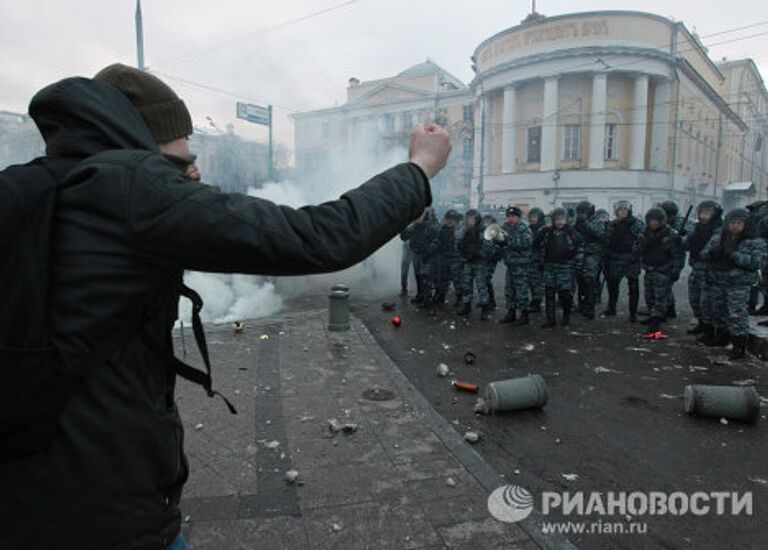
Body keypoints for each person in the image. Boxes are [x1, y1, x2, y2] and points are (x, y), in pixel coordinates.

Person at [0, 65, 452, 549]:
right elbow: (319, 237)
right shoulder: (130, 187)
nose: (192, 160)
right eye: (183, 145)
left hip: (27, 485)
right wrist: (417, 169)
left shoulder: (36, 187)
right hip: (107, 506)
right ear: (145, 136)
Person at [700, 208, 767, 359]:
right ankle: (722, 337)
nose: (735, 226)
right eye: (732, 223)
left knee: (736, 314)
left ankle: (739, 345)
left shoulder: (755, 242)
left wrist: (734, 255)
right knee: (718, 311)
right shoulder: (720, 238)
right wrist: (712, 253)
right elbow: (704, 254)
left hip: (738, 284)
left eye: (739, 223)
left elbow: (755, 263)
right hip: (718, 280)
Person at [634, 208, 682, 335]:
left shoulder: (670, 234)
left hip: (663, 270)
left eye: (655, 221)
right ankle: (653, 316)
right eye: (650, 220)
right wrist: (641, 244)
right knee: (649, 296)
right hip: (649, 268)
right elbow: (636, 251)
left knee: (660, 297)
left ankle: (655, 323)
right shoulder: (645, 233)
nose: (652, 223)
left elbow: (678, 255)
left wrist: (676, 270)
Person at [535, 208, 583, 328]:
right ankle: (550, 319)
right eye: (557, 219)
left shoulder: (572, 233)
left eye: (562, 219)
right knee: (549, 293)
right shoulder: (547, 232)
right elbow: (536, 245)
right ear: (553, 220)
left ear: (566, 220)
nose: (560, 222)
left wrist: (578, 266)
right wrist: (540, 262)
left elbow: (580, 249)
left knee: (565, 294)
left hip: (566, 267)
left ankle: (566, 316)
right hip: (550, 266)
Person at [683, 201, 723, 335]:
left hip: (710, 270)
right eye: (702, 213)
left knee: (708, 302)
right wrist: (682, 238)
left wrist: (694, 243)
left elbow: (707, 251)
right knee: (694, 298)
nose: (703, 216)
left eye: (707, 213)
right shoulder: (697, 228)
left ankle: (710, 329)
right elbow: (685, 245)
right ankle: (701, 323)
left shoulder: (719, 229)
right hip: (696, 267)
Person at [603, 200, 644, 322]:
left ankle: (632, 313)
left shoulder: (637, 224)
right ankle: (611, 308)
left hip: (631, 259)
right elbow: (607, 240)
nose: (622, 212)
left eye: (624, 210)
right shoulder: (612, 224)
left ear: (629, 211)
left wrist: (636, 253)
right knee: (612, 285)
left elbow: (642, 240)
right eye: (619, 210)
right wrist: (607, 255)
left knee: (633, 287)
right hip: (615, 258)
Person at [498, 206, 533, 326]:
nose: (510, 218)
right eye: (508, 216)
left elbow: (526, 243)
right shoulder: (505, 227)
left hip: (521, 265)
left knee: (521, 291)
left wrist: (508, 242)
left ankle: (524, 315)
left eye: (513, 216)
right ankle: (511, 313)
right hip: (511, 264)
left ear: (518, 217)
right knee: (509, 290)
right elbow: (498, 238)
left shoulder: (524, 228)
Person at [401, 208, 440, 311]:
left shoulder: (430, 227)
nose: (417, 217)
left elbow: (436, 241)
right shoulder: (414, 227)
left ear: (424, 215)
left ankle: (427, 301)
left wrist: (428, 253)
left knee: (426, 279)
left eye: (420, 215)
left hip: (427, 257)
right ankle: (420, 296)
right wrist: (403, 227)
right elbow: (404, 237)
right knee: (418, 277)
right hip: (416, 255)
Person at [573, 200, 606, 320]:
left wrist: (585, 223)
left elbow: (599, 234)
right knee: (580, 279)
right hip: (580, 253)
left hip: (593, 254)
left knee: (589, 280)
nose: (581, 215)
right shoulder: (579, 221)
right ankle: (582, 305)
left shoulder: (597, 221)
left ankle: (590, 307)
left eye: (583, 212)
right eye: (580, 213)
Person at [457, 209, 493, 320]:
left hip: (479, 263)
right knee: (466, 285)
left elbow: (489, 247)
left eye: (472, 219)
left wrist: (478, 253)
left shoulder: (483, 231)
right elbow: (458, 243)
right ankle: (466, 306)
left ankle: (484, 309)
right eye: (468, 219)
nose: (470, 221)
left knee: (482, 286)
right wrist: (464, 254)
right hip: (467, 262)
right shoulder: (464, 230)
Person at [658, 200, 691, 319]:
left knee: (666, 284)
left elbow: (690, 240)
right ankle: (666, 307)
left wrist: (684, 235)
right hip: (663, 257)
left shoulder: (682, 222)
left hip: (676, 260)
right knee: (663, 284)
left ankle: (668, 309)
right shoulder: (661, 222)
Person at [433, 209, 462, 307]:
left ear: (456, 221)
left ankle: (459, 299)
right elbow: (437, 242)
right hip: (444, 258)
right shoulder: (441, 230)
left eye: (452, 219)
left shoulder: (459, 232)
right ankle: (440, 297)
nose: (450, 221)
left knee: (457, 281)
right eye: (448, 219)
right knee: (443, 280)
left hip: (455, 259)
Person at [527, 207, 546, 312]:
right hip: (530, 259)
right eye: (531, 217)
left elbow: (545, 247)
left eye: (535, 217)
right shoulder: (529, 229)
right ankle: (534, 299)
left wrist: (542, 261)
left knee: (538, 283)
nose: (532, 219)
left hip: (539, 260)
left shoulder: (543, 230)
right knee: (531, 281)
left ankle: (537, 302)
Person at [482, 214, 501, 310]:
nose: (485, 224)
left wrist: (493, 253)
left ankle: (491, 301)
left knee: (486, 279)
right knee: (484, 280)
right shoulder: (483, 231)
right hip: (484, 259)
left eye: (487, 222)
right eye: (484, 222)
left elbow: (500, 245)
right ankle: (486, 300)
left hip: (491, 260)